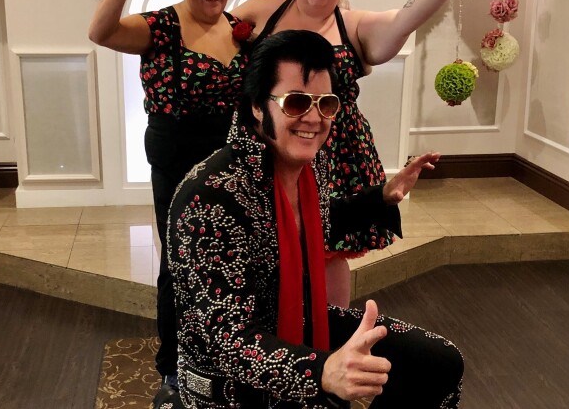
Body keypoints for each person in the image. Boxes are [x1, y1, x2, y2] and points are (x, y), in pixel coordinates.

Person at [168, 30, 463, 408]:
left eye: (326, 104)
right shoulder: (209, 196)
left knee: (439, 362)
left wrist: (381, 196)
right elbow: (225, 337)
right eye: (295, 102)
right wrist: (322, 371)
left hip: (299, 319)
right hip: (227, 379)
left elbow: (313, 225)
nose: (314, 118)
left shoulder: (311, 165)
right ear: (258, 106)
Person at [231, 0, 495, 307]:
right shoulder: (261, 10)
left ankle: (331, 331)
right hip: (266, 143)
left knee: (328, 247)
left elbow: (406, 16)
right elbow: (212, 40)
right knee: (264, 241)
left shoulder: (354, 25)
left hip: (334, 150)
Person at [88, 0, 251, 407]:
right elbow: (99, 32)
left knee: (233, 261)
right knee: (181, 266)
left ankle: (226, 355)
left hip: (232, 161)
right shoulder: (160, 26)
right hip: (178, 161)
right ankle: (175, 369)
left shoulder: (242, 28)